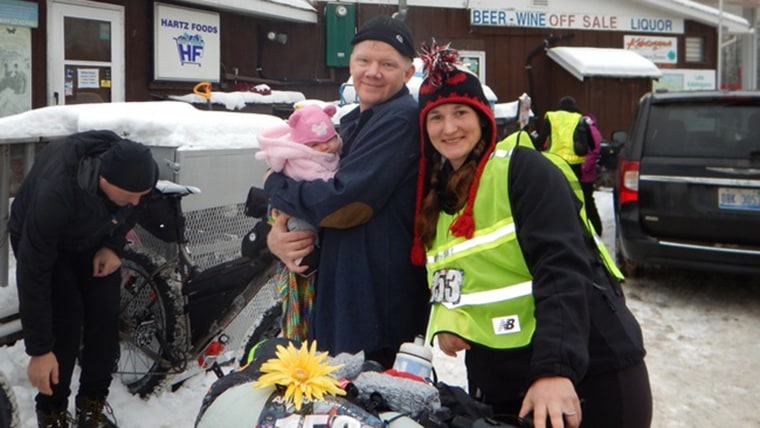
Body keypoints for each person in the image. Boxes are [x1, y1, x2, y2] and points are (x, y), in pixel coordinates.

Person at [411, 42, 652, 428]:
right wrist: (449, 320)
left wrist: (555, 370)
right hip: (501, 375)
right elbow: (460, 269)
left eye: (460, 112)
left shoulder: (523, 169)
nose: (449, 127)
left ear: (484, 117)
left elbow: (562, 268)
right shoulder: (438, 196)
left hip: (585, 367)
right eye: (435, 117)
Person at [263, 15, 429, 368]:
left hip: (374, 306)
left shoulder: (398, 120)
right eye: (363, 61)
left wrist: (275, 186)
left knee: (361, 409)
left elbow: (342, 202)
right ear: (350, 65)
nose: (372, 71)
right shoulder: (356, 122)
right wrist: (277, 238)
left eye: (387, 64)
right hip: (349, 295)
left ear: (408, 72)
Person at [9, 130, 158, 428]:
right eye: (129, 195)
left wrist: (113, 247)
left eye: (141, 194)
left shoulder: (133, 179)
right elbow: (33, 273)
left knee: (105, 316)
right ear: (104, 181)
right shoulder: (56, 192)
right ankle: (51, 411)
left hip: (93, 238)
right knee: (66, 320)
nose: (135, 202)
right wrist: (39, 350)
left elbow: (131, 210)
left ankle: (92, 404)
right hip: (43, 244)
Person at [255, 104, 342, 341]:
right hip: (298, 222)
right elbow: (321, 198)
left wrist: (273, 183)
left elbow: (334, 197)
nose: (324, 148)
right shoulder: (303, 162)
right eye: (314, 145)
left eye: (330, 140)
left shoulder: (354, 135)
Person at [531, 96, 595, 182]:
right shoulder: (580, 119)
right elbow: (592, 144)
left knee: (557, 189)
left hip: (556, 162)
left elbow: (540, 141)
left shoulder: (552, 117)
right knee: (575, 190)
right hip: (575, 165)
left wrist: (530, 140)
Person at [579, 113, 603, 236]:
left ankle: (596, 228)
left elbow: (594, 152)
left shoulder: (592, 132)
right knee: (586, 201)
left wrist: (584, 167)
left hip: (585, 174)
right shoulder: (593, 131)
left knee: (587, 201)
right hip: (586, 174)